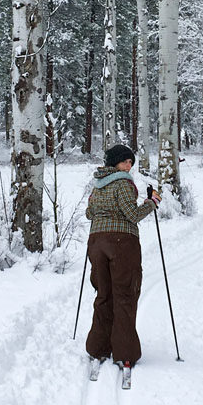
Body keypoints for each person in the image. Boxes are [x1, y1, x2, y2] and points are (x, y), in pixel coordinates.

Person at [85, 143, 161, 370]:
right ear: (115, 162)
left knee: (103, 294)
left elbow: (89, 213)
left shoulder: (97, 184)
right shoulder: (124, 183)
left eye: (131, 162)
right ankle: (125, 352)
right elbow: (132, 215)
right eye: (126, 161)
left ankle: (98, 347)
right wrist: (152, 203)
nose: (129, 166)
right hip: (122, 243)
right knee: (125, 294)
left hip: (97, 242)